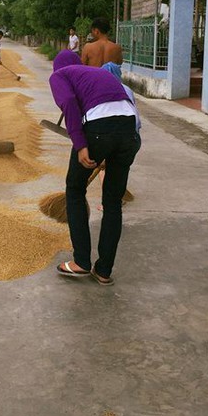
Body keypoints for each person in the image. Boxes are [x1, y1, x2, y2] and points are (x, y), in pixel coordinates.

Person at [49, 60, 141, 286]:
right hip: (129, 132)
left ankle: (81, 261)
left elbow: (69, 102)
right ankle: (104, 270)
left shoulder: (59, 76)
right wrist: (118, 148)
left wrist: (80, 144)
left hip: (100, 130)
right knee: (113, 202)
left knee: (74, 189)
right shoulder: (99, 75)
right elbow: (128, 112)